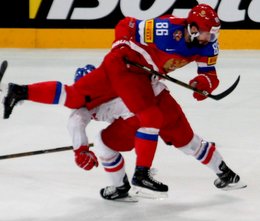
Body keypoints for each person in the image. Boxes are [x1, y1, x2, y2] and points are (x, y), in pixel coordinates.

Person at [3, 4, 244, 199]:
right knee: (137, 124)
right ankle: (136, 178)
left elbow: (209, 75)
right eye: (207, 31)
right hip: (138, 81)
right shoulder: (165, 29)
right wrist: (80, 149)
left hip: (147, 84)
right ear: (192, 27)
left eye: (213, 32)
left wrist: (203, 84)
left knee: (182, 137)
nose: (210, 37)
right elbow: (126, 24)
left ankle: (220, 172)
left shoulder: (208, 44)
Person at [67, 64, 245, 201]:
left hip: (139, 117)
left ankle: (121, 187)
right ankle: (226, 174)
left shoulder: (82, 101)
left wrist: (80, 150)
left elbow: (76, 122)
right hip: (163, 101)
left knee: (102, 142)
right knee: (189, 143)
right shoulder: (117, 73)